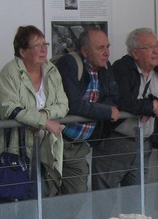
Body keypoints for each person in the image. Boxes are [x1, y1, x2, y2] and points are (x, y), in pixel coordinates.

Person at [0, 25, 68, 201]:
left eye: (45, 44)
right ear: (22, 51)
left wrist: (41, 116)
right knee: (6, 205)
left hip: (42, 149)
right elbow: (11, 109)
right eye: (37, 45)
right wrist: (44, 122)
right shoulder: (9, 73)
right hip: (11, 150)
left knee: (35, 203)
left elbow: (63, 105)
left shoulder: (52, 71)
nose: (43, 49)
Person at [91, 28, 158, 190]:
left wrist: (157, 105)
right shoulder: (121, 68)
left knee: (137, 198)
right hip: (116, 143)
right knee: (105, 198)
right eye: (150, 47)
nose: (156, 51)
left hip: (144, 144)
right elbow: (124, 101)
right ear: (135, 53)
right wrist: (150, 106)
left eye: (157, 46)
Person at [54, 27, 120, 194]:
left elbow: (114, 98)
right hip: (55, 141)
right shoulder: (69, 63)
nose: (107, 53)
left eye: (108, 47)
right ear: (84, 51)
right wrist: (105, 112)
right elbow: (73, 104)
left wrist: (96, 108)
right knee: (46, 196)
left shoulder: (106, 66)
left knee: (77, 196)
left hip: (79, 145)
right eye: (100, 48)